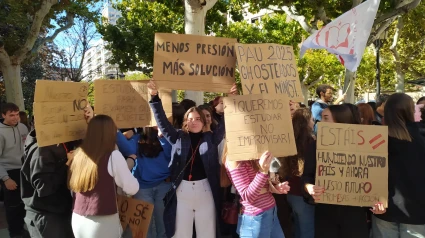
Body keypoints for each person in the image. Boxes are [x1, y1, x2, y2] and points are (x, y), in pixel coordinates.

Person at [147, 79, 237, 238]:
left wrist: (231, 98)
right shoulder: (178, 137)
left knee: (207, 232)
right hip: (182, 191)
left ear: (203, 122)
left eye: (197, 119)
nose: (193, 122)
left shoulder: (211, 137)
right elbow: (161, 121)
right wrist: (154, 97)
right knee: (181, 233)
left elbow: (226, 122)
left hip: (206, 190)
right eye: (190, 119)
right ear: (185, 122)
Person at [302, 105, 385, 238]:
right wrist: (310, 188)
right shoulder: (316, 146)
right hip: (326, 214)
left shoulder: (366, 147)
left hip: (355, 215)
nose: (320, 122)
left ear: (340, 120)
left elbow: (376, 179)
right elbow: (307, 177)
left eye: (326, 118)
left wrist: (378, 203)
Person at [20, 104, 94, 238]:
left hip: (60, 212)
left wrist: (90, 121)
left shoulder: (63, 142)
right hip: (47, 217)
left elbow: (90, 145)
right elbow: (44, 186)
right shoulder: (42, 148)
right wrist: (67, 164)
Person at [69, 115, 139, 238]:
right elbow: (132, 188)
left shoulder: (78, 154)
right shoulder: (113, 156)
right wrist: (130, 162)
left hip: (78, 218)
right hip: (102, 220)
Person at [372, 93, 425, 237]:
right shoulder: (420, 138)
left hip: (383, 208)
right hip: (417, 212)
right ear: (410, 111)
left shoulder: (374, 140)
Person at [116, 126, 172, 238]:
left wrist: (163, 136)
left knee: (164, 226)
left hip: (164, 186)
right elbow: (127, 149)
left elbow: (171, 154)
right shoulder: (137, 138)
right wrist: (116, 130)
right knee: (144, 229)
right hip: (142, 188)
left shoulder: (166, 137)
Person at [225, 149, 290, 238]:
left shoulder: (254, 152)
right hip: (255, 218)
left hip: (271, 212)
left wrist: (275, 188)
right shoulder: (234, 158)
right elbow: (247, 196)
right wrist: (263, 171)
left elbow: (261, 184)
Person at [279, 108, 315, 238]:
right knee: (307, 230)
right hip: (303, 194)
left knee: (299, 227)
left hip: (291, 191)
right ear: (306, 122)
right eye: (312, 119)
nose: (314, 122)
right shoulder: (310, 143)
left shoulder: (289, 140)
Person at [0, 103, 29, 238]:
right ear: (3, 115)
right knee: (12, 207)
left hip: (25, 170)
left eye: (17, 114)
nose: (15, 118)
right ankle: (15, 233)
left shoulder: (23, 127)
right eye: (11, 115)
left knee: (25, 204)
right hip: (9, 172)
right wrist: (6, 178)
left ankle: (22, 230)